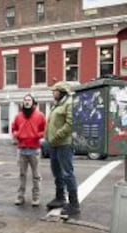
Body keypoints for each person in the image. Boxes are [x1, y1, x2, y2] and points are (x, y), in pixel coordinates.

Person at [45, 81, 80, 218]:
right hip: (54, 144)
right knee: (57, 173)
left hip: (64, 144)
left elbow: (70, 124)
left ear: (62, 91)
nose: (53, 93)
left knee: (67, 174)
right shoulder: (57, 104)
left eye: (55, 90)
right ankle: (60, 198)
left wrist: (57, 136)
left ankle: (74, 204)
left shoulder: (69, 103)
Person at [11, 93, 46, 206]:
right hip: (22, 149)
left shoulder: (39, 115)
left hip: (34, 149)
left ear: (33, 102)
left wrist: (37, 135)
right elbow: (13, 128)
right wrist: (17, 134)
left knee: (36, 176)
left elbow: (44, 129)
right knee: (22, 175)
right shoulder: (18, 116)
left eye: (29, 100)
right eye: (25, 100)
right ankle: (20, 197)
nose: (27, 102)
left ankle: (36, 198)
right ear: (23, 103)